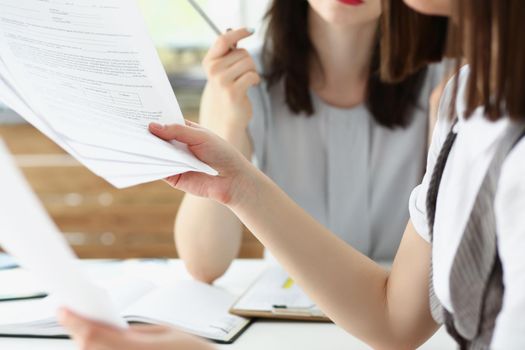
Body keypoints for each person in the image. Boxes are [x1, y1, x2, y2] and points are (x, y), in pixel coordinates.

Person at [60, 0, 525, 348]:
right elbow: (204, 262)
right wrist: (228, 141)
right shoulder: (245, 79)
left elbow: (405, 312)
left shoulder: (456, 92)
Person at [175, 0, 447, 283]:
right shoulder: (240, 81)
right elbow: (204, 263)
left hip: (404, 308)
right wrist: (226, 125)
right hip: (288, 307)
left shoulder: (446, 81)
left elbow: (454, 257)